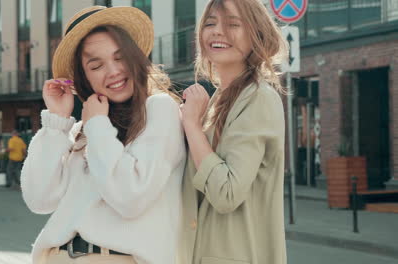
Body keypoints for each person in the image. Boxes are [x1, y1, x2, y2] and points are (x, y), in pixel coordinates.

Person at [20, 6, 186, 264]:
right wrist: (57, 122)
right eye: (96, 65)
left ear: (136, 58)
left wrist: (97, 125)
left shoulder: (159, 109)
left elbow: (131, 198)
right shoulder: (85, 131)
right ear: (83, 77)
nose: (113, 71)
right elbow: (39, 200)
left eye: (120, 58)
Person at [178, 0, 288, 264]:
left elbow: (227, 192)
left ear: (256, 34)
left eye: (233, 24)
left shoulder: (257, 98)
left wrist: (192, 126)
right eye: (210, 23)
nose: (218, 31)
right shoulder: (220, 99)